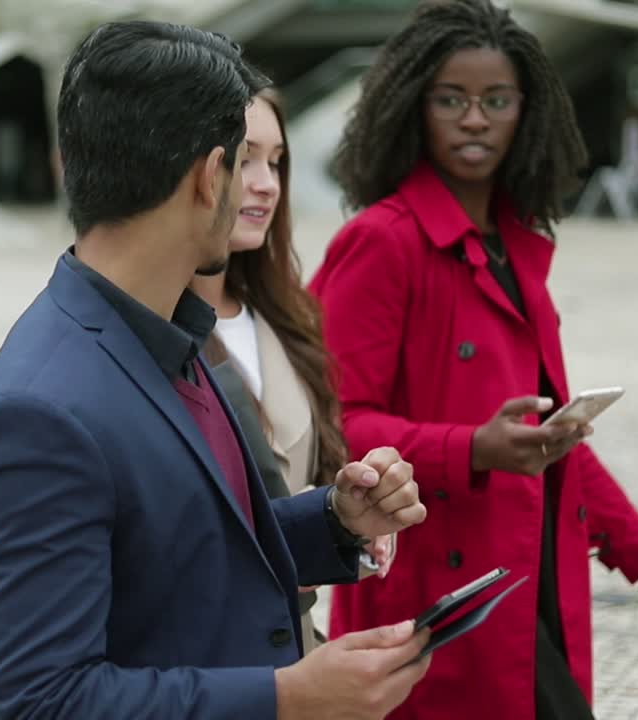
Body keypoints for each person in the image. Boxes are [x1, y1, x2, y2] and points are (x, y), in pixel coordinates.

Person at [0, 21, 431, 719]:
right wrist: (288, 698)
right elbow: (42, 703)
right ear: (209, 176)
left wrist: (334, 521)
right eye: (244, 163)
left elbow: (185, 550)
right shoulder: (39, 413)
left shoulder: (163, 332)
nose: (256, 189)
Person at [309, 2, 638, 719]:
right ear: (413, 106)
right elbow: (334, 425)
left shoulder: (515, 244)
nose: (476, 119)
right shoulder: (384, 242)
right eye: (452, 99)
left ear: (526, 113)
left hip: (536, 590)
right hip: (434, 607)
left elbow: (555, 437)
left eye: (497, 100)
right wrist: (473, 448)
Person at [189, 89, 397, 654]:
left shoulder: (286, 317)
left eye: (277, 161)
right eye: (245, 157)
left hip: (295, 645)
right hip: (206, 663)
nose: (266, 183)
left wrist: (358, 515)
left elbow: (318, 474)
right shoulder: (153, 333)